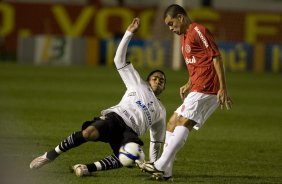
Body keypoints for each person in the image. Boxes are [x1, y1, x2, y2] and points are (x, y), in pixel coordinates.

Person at [30, 18, 167, 177]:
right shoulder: (138, 83)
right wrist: (129, 33)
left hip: (131, 132)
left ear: (164, 87)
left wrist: (156, 166)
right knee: (89, 133)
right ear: (148, 80)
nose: (158, 81)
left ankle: (86, 168)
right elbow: (118, 60)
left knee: (129, 156)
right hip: (116, 118)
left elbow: (156, 141)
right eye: (155, 78)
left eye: (162, 80)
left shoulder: (161, 111)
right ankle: (50, 155)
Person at [138, 4, 232, 180]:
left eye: (171, 24)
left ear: (181, 17)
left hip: (208, 86)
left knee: (183, 122)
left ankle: (159, 165)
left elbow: (216, 57)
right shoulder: (183, 37)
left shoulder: (198, 30)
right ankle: (166, 172)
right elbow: (197, 62)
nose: (171, 28)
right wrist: (189, 82)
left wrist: (223, 87)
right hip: (197, 86)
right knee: (172, 122)